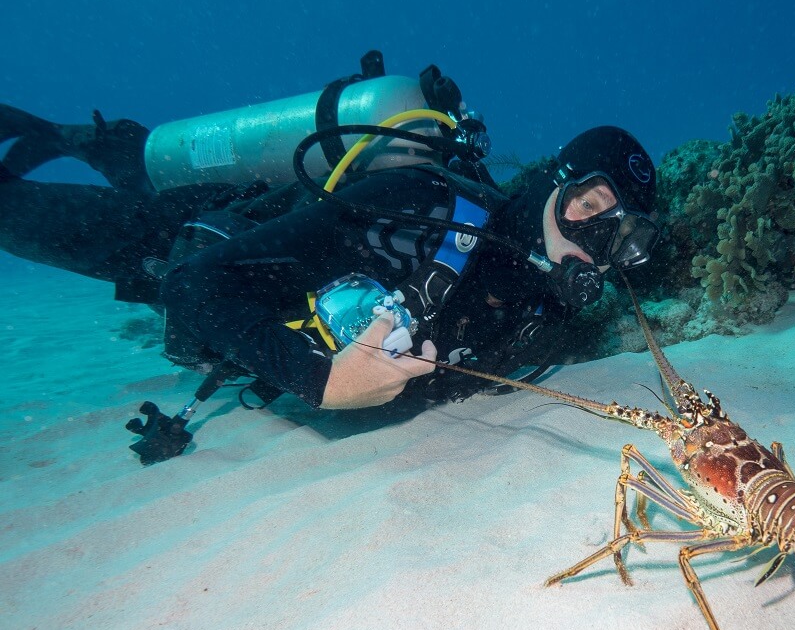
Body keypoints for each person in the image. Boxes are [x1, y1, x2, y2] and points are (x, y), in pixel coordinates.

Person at [0, 91, 659, 416]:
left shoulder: (542, 307)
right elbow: (194, 285)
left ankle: (91, 141)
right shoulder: (418, 207)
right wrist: (322, 381)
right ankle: (80, 138)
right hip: (172, 238)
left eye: (623, 235)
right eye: (591, 204)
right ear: (554, 180)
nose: (597, 238)